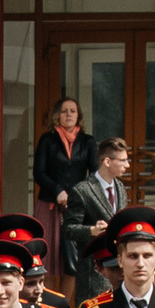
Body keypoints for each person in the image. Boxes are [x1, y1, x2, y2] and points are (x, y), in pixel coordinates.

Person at [60, 139, 132, 298]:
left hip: (120, 270)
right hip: (93, 271)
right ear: (107, 161)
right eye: (123, 160)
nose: (127, 165)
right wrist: (92, 230)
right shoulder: (82, 190)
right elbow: (68, 229)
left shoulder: (120, 188)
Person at [33, 96, 98, 266]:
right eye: (64, 111)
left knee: (72, 260)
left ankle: (67, 295)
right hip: (50, 204)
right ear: (57, 116)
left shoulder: (88, 141)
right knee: (46, 257)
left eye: (72, 111)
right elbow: (38, 173)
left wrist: (79, 195)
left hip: (76, 206)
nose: (68, 114)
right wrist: (57, 190)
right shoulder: (47, 139)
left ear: (78, 116)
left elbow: (95, 174)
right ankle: (45, 293)